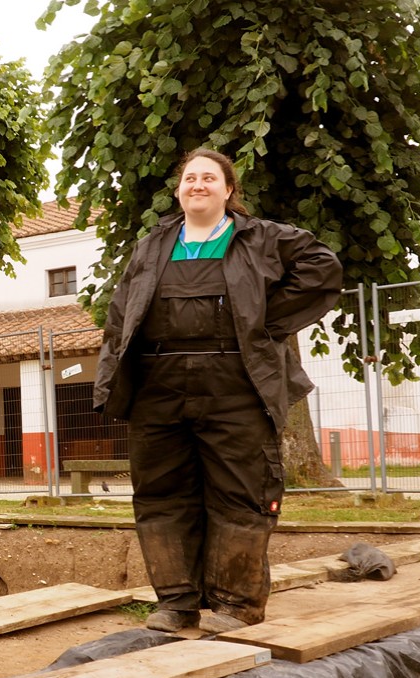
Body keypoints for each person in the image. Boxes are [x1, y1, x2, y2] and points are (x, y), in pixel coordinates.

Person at [93, 148, 343, 635]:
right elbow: (120, 317)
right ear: (179, 190)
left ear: (229, 191)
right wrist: (110, 380)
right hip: (158, 385)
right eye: (190, 178)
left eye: (210, 178)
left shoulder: (262, 238)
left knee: (241, 492)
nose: (198, 185)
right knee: (162, 494)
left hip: (237, 382)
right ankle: (176, 602)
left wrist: (264, 321)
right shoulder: (151, 246)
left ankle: (236, 604)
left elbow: (322, 268)